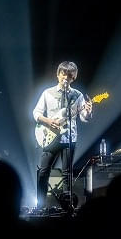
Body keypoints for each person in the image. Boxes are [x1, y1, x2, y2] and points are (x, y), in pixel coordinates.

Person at [33, 61, 92, 211]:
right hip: (50, 137)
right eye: (63, 74)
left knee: (67, 173)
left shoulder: (77, 95)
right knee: (43, 171)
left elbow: (84, 118)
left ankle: (67, 207)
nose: (66, 77)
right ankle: (40, 206)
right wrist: (48, 121)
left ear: (73, 78)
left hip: (69, 138)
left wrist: (88, 111)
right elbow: (36, 113)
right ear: (58, 74)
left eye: (69, 75)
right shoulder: (47, 93)